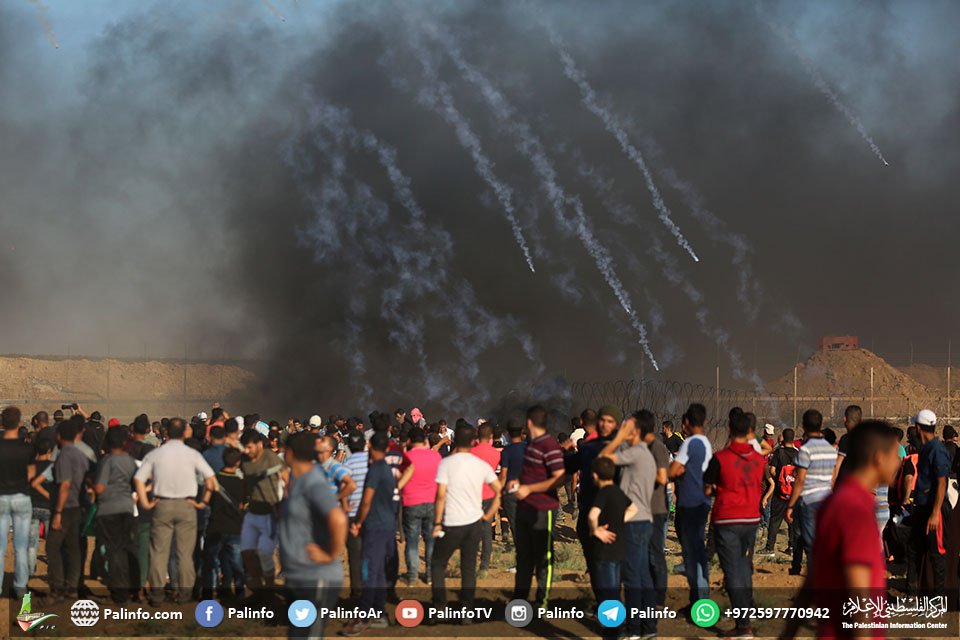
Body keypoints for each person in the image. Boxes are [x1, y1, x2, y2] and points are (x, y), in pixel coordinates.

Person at [781, 421, 900, 640]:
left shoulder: (835, 501)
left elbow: (813, 576)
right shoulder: (858, 510)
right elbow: (859, 596)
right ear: (878, 458)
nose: (898, 461)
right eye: (894, 454)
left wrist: (788, 633)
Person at [133, 418, 216, 605]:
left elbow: (139, 479)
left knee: (159, 552)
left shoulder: (156, 454)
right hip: (187, 506)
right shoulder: (192, 454)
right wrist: (203, 503)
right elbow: (210, 480)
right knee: (185, 554)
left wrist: (145, 503)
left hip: (162, 505)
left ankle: (157, 595)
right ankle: (185, 595)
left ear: (166, 432)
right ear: (186, 432)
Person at [428, 423, 501, 621]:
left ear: (454, 440)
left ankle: (440, 608)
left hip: (452, 523)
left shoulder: (446, 464)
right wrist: (488, 515)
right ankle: (467, 611)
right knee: (468, 568)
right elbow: (498, 490)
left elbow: (441, 496)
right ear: (473, 441)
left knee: (437, 564)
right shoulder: (481, 465)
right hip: (474, 523)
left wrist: (437, 522)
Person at [704, 407, 766, 638]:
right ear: (750, 431)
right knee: (744, 567)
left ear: (729, 429)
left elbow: (707, 488)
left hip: (727, 519)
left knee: (732, 572)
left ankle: (743, 627)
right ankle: (747, 613)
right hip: (751, 520)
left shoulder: (719, 459)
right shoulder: (759, 459)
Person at [280, 431, 347, 640]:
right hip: (301, 576)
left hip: (316, 577)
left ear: (289, 452)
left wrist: (330, 554)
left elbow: (338, 519)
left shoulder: (313, 482)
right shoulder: (299, 480)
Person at [599, 410, 657, 639]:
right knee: (642, 575)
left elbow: (602, 460)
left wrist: (618, 436)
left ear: (636, 431)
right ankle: (648, 627)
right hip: (643, 520)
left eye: (628, 425)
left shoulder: (635, 453)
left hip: (633, 522)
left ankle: (633, 629)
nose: (623, 426)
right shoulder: (641, 454)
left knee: (632, 577)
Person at [343, 432, 397, 636]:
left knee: (367, 570)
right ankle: (379, 613)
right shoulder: (387, 470)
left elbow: (366, 501)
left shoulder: (375, 470)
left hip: (374, 527)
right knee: (378, 572)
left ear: (371, 447)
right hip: (386, 526)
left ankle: (364, 616)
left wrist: (357, 522)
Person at [511, 405, 565, 609]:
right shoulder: (532, 445)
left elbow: (558, 478)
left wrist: (529, 489)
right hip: (525, 508)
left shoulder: (549, 445)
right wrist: (517, 484)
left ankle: (541, 603)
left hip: (543, 509)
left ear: (530, 422)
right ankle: (519, 601)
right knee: (523, 557)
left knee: (544, 557)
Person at [566, 405, 621, 596]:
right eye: (603, 420)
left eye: (610, 421)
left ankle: (613, 611)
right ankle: (605, 605)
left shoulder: (620, 447)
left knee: (609, 563)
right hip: (590, 507)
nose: (605, 424)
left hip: (611, 510)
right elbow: (568, 466)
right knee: (597, 557)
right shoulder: (589, 448)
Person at [668, 403, 713, 608]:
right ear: (704, 421)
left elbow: (674, 470)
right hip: (701, 501)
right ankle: (699, 596)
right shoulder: (706, 443)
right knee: (696, 549)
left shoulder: (690, 443)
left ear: (686, 422)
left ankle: (701, 599)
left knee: (693, 551)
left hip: (690, 502)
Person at [587, 456, 637, 640]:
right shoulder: (618, 491)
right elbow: (634, 509)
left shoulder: (603, 492)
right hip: (619, 550)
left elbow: (592, 515)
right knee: (615, 589)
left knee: (607, 592)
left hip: (604, 550)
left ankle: (614, 631)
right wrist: (618, 521)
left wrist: (596, 531)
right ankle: (616, 628)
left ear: (595, 475)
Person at [785, 409, 836, 576]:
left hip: (809, 500)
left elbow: (799, 480)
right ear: (821, 425)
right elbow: (833, 477)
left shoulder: (806, 450)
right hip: (826, 500)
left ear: (803, 426)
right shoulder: (831, 450)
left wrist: (790, 505)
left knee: (809, 540)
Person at [906, 409, 951, 595]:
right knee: (914, 549)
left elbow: (941, 482)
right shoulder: (926, 448)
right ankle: (913, 594)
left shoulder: (937, 450)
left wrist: (935, 513)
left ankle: (939, 600)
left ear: (918, 427)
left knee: (936, 554)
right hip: (923, 507)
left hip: (935, 509)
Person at [239, 429, 286, 603]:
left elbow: (286, 479)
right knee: (247, 553)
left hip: (270, 512)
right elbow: (244, 482)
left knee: (264, 554)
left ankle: (269, 591)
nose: (246, 450)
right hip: (252, 511)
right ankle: (259, 591)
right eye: (244, 447)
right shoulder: (244, 460)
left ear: (259, 444)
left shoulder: (271, 458)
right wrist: (241, 503)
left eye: (249, 447)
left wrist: (285, 505)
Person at [93, 426, 139, 604]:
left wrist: (92, 486)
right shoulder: (130, 461)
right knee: (127, 547)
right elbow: (137, 484)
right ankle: (132, 588)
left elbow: (100, 488)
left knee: (114, 551)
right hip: (127, 509)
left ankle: (119, 595)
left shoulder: (107, 461)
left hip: (109, 510)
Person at [46, 418, 90, 602]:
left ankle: (57, 589)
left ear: (59, 435)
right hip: (77, 508)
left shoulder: (64, 455)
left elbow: (65, 484)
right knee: (73, 548)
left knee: (52, 547)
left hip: (64, 508)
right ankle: (72, 588)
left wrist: (57, 512)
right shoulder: (81, 454)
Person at [397, 426, 441, 585]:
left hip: (411, 503)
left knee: (412, 540)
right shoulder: (436, 457)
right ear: (425, 440)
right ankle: (430, 575)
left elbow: (399, 478)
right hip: (431, 502)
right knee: (430, 540)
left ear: (409, 440)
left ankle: (413, 575)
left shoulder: (405, 457)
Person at [203, 446, 247, 601]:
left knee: (210, 561)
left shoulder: (214, 480)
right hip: (235, 528)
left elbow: (206, 501)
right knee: (235, 563)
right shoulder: (241, 483)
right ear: (238, 462)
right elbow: (242, 506)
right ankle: (238, 593)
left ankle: (208, 593)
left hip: (215, 526)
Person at [0, 406, 35, 599]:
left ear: (2, 423)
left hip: (1, 497)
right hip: (21, 497)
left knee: (0, 546)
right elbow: (30, 474)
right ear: (20, 422)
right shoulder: (27, 447)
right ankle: (20, 586)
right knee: (21, 545)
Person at [641, 413, 671, 606]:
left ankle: (659, 595)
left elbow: (662, 478)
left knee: (656, 552)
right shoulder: (641, 448)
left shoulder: (658, 448)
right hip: (642, 507)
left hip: (656, 507)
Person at [471, 423, 502, 577]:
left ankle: (470, 562)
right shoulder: (496, 454)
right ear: (491, 437)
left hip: (473, 494)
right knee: (487, 531)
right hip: (490, 494)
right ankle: (484, 566)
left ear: (478, 434)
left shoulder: (471, 452)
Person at [762, 427, 798, 556]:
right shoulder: (798, 453)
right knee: (792, 521)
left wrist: (779, 479)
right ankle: (792, 547)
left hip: (779, 492)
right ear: (793, 438)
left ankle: (769, 548)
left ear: (783, 438)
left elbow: (772, 470)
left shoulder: (779, 452)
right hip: (793, 493)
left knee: (775, 520)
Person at [342, 430, 368, 598]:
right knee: (371, 552)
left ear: (350, 446)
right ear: (365, 444)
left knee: (355, 554)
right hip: (370, 513)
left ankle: (356, 590)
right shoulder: (372, 462)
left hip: (352, 514)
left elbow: (343, 489)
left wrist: (345, 507)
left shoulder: (347, 464)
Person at [498, 420, 527, 551]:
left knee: (514, 523)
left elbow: (503, 474)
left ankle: (520, 549)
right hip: (527, 490)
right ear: (522, 432)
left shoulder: (506, 451)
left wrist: (499, 493)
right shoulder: (529, 448)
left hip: (510, 492)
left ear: (508, 434)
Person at [27, 440, 54, 579]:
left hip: (32, 506)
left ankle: (31, 571)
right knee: (51, 543)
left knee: (32, 544)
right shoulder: (53, 467)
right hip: (49, 508)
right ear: (49, 451)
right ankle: (51, 571)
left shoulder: (31, 467)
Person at [317, 435, 356, 510]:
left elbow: (352, 485)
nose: (317, 441)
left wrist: (335, 497)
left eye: (322, 440)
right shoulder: (317, 465)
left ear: (329, 448)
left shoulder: (333, 466)